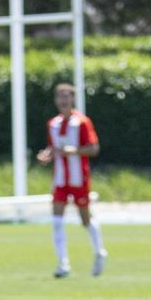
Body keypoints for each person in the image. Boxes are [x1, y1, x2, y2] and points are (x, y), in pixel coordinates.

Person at [35, 82, 106, 278]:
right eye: (60, 97)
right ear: (56, 100)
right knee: (57, 220)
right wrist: (46, 155)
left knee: (85, 219)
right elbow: (52, 148)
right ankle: (63, 264)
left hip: (78, 178)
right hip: (60, 179)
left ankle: (100, 251)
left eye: (67, 96)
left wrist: (72, 151)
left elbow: (93, 148)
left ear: (72, 99)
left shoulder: (82, 122)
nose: (63, 100)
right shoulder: (53, 123)